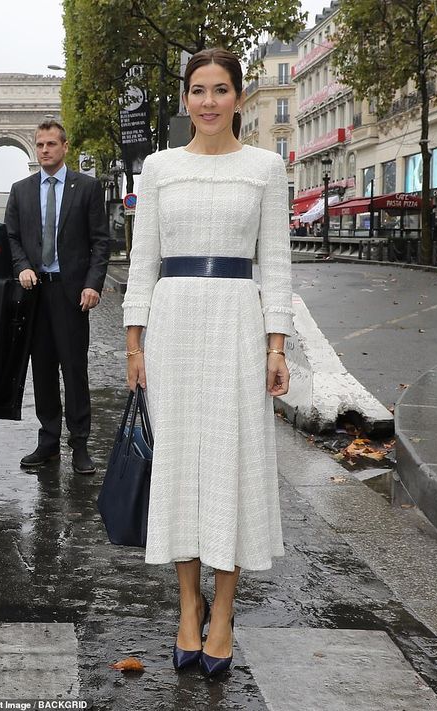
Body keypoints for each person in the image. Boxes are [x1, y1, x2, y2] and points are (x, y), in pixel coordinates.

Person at [123, 48, 292, 675]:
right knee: (181, 465)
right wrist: (135, 345)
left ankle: (223, 613)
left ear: (238, 99)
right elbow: (142, 262)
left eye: (221, 90)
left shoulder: (266, 168)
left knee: (232, 463)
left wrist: (278, 346)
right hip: (172, 325)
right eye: (198, 90)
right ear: (185, 99)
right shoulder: (159, 168)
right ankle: (187, 607)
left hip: (239, 326)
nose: (209, 102)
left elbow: (275, 262)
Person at [5, 120, 110, 474]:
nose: (45, 149)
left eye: (51, 144)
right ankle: (48, 441)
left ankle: (79, 443)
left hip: (73, 294)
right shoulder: (20, 191)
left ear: (65, 147)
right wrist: (21, 265)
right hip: (35, 293)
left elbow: (100, 242)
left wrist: (93, 283)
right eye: (39, 145)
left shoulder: (87, 188)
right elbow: (12, 237)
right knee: (43, 371)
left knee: (75, 370)